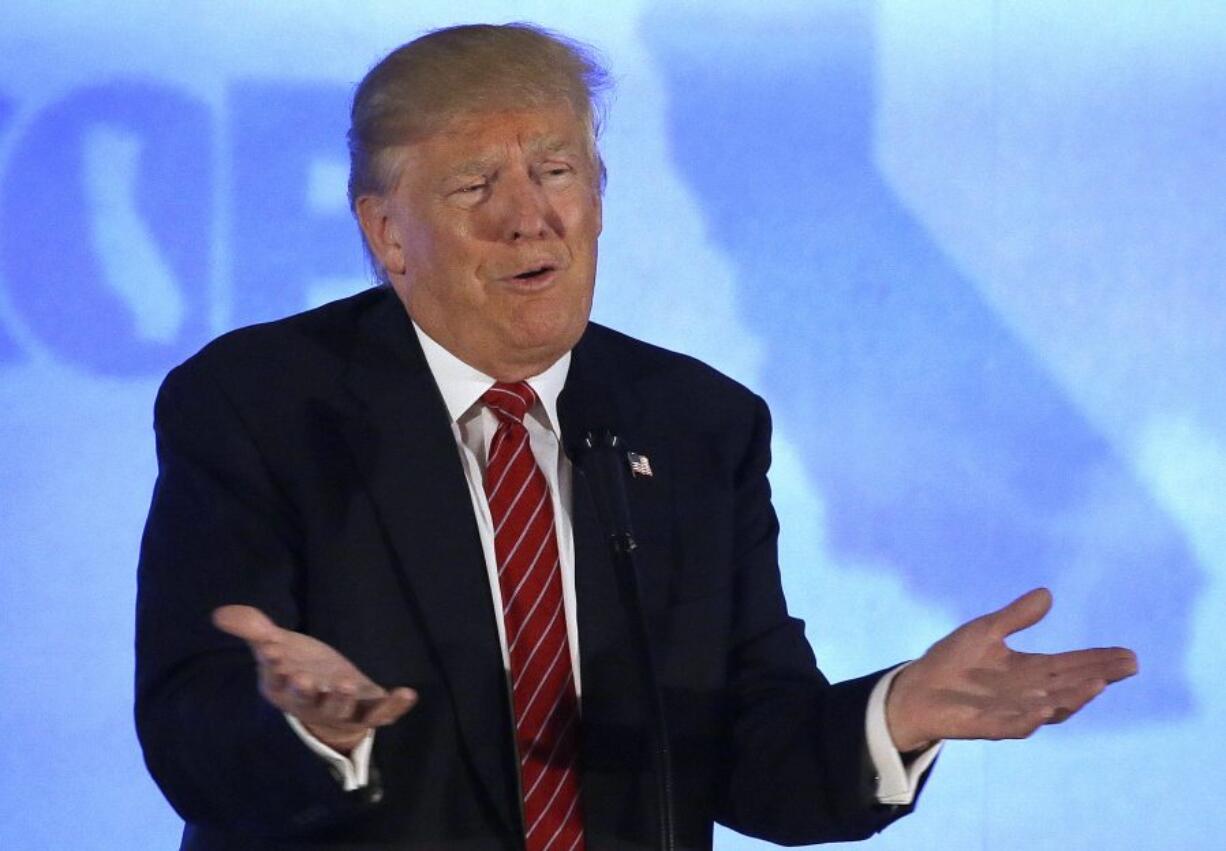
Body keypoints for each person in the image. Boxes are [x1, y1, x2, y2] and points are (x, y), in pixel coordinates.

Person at [135, 23, 1138, 851]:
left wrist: (895, 714)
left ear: (599, 197)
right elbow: (192, 731)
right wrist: (308, 725)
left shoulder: (697, 422)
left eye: (557, 170)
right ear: (387, 233)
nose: (531, 218)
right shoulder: (259, 404)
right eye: (474, 186)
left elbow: (748, 748)